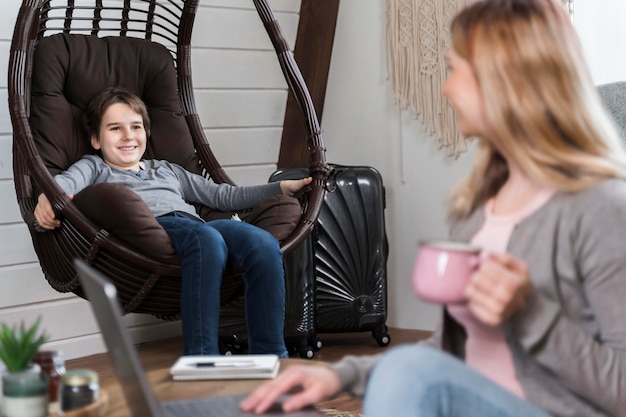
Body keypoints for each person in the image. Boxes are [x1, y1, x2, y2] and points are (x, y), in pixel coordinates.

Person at [240, 0, 626, 415]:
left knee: (412, 377)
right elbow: (451, 349)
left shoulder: (600, 206)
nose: (447, 87)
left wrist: (532, 316)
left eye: (458, 70)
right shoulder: (479, 209)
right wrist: (340, 376)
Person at [34, 86, 312, 358]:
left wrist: (280, 189)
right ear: (96, 139)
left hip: (197, 228)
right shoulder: (94, 166)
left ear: (146, 132)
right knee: (207, 239)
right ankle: (201, 358)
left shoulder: (167, 169)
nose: (128, 136)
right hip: (154, 232)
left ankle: (271, 355)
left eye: (136, 126)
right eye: (115, 128)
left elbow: (223, 196)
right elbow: (65, 183)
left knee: (261, 241)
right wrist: (49, 197)